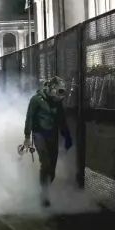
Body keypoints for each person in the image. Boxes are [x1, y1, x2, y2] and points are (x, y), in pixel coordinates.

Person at [22, 76, 73, 207]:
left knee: (52, 170)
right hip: (39, 135)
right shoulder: (36, 100)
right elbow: (29, 119)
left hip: (52, 136)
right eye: (60, 91)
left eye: (63, 92)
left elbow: (62, 121)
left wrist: (66, 135)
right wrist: (27, 137)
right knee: (45, 163)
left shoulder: (57, 103)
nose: (61, 95)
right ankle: (44, 194)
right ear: (51, 88)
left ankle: (45, 187)